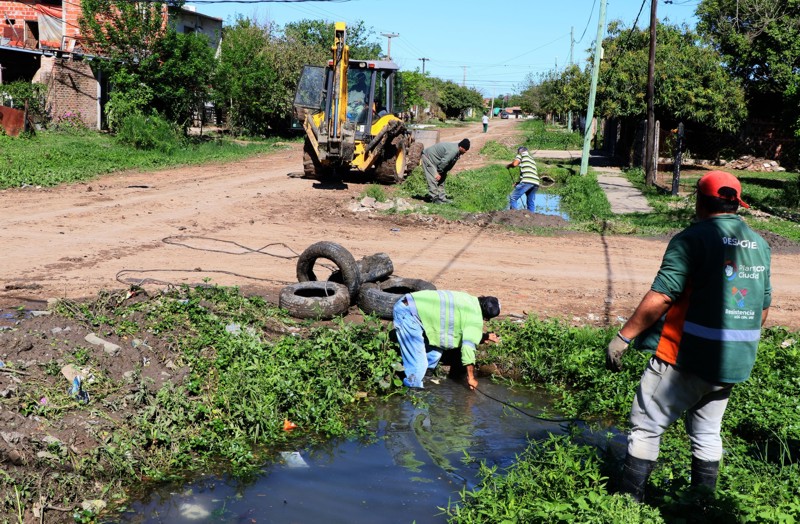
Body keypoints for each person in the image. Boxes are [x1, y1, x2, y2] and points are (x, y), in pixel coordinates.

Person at [606, 170, 772, 502]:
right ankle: (701, 507)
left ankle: (627, 507)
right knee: (708, 432)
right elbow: (762, 307)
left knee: (646, 427)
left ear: (699, 200)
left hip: (683, 358)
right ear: (735, 204)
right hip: (732, 364)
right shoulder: (759, 244)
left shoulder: (692, 239)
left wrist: (623, 338)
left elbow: (664, 295)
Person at [393, 290, 500, 389]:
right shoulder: (475, 320)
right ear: (486, 318)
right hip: (408, 313)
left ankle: (426, 377)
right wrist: (471, 377)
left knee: (435, 353)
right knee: (418, 366)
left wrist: (483, 336)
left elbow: (463, 328)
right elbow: (468, 348)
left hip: (413, 304)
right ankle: (413, 392)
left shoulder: (469, 300)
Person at [420, 139, 470, 204]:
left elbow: (447, 163)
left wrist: (443, 173)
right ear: (461, 147)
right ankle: (434, 198)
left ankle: (442, 198)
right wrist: (438, 172)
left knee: (442, 179)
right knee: (433, 178)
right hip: (428, 158)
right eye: (465, 150)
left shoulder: (457, 151)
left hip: (437, 162)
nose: (465, 152)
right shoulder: (453, 151)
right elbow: (445, 161)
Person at [506, 146, 540, 212]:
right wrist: (519, 183)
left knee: (513, 197)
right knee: (530, 200)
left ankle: (514, 214)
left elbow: (515, 164)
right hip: (535, 182)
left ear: (520, 151)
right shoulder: (531, 159)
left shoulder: (521, 155)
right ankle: (531, 216)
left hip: (527, 181)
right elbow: (529, 173)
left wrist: (509, 165)